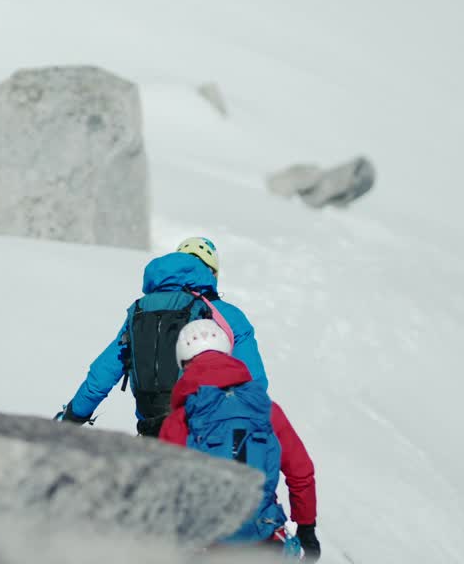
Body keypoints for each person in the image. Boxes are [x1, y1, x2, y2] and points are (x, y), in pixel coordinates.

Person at [56, 237, 268, 436]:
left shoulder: (141, 310)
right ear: (211, 274)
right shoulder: (228, 315)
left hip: (152, 433)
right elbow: (254, 381)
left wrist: (70, 418)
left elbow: (101, 376)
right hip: (206, 435)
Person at [159, 320, 320, 560]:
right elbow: (301, 471)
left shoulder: (180, 420)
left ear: (182, 363)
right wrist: (306, 527)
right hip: (263, 538)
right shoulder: (266, 409)